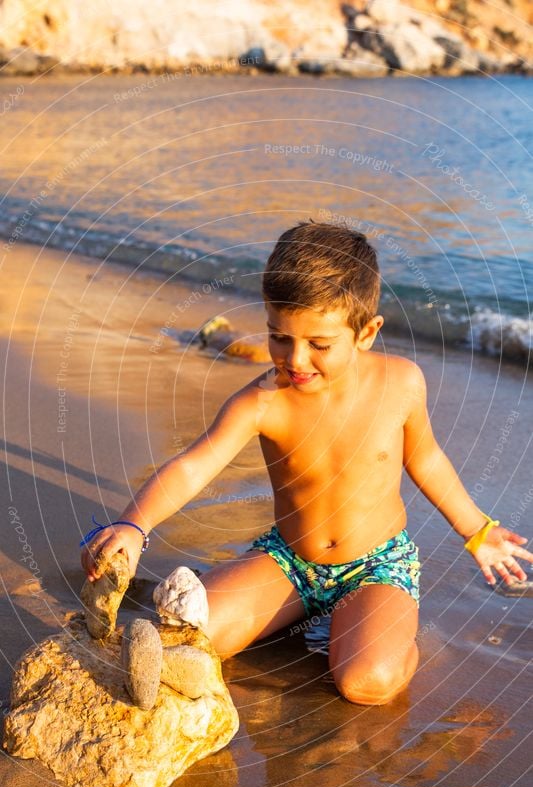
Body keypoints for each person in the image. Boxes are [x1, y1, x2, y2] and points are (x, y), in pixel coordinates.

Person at [80, 222, 532, 706]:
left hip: (377, 566)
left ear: (367, 332)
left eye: (319, 344)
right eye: (279, 336)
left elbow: (426, 458)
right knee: (191, 633)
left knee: (365, 683)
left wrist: (477, 531)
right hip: (290, 561)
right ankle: (305, 614)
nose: (296, 359)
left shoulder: (401, 384)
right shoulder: (262, 402)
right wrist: (135, 523)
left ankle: (384, 631)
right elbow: (196, 464)